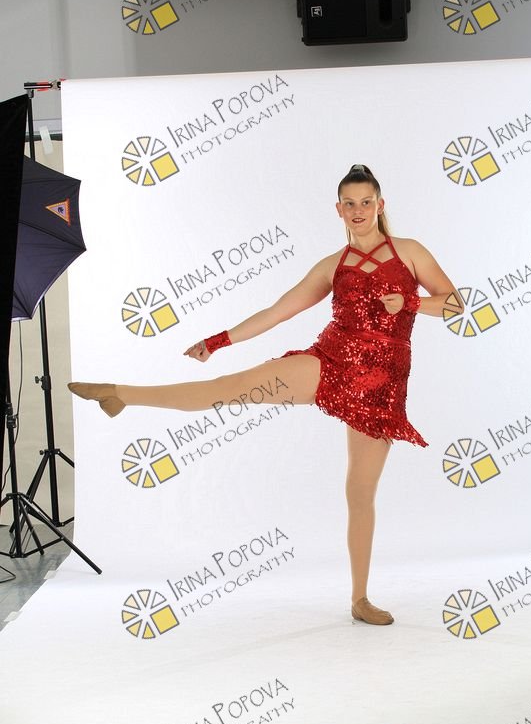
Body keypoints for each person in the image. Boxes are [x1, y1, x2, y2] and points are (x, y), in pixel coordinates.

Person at [69, 164, 464, 626]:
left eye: (366, 202)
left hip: (381, 386)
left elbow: (455, 304)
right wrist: (218, 341)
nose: (358, 210)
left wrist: (411, 302)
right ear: (338, 210)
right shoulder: (332, 266)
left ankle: (360, 599)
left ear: (380, 205)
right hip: (330, 364)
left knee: (360, 493)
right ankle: (120, 393)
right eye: (350, 203)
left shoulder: (409, 252)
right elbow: (277, 311)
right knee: (228, 389)